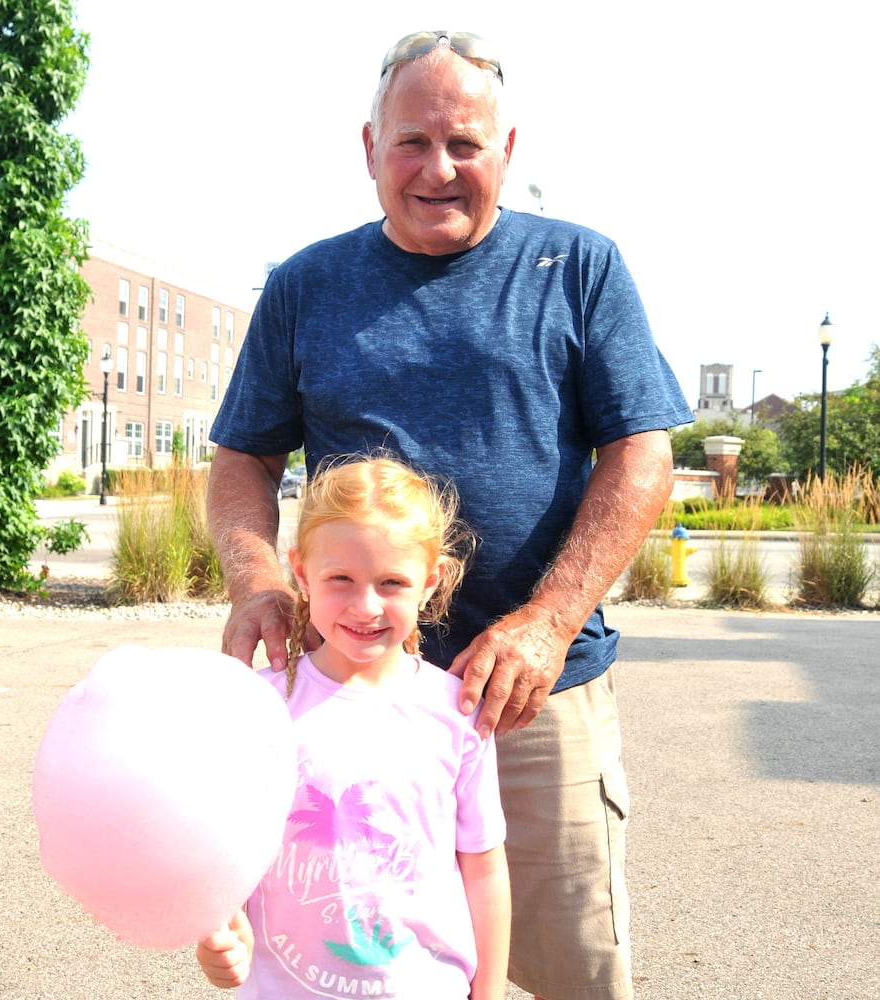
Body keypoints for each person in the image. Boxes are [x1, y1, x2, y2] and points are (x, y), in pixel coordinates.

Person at [207, 29, 693, 1000]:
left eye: (464, 144)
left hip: (531, 700)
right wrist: (257, 574)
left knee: (571, 975)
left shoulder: (580, 268)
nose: (438, 168)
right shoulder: (304, 286)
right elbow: (241, 458)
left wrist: (548, 622)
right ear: (368, 148)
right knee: (342, 966)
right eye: (411, 143)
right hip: (344, 705)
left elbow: (640, 452)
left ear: (507, 151)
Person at [196, 456, 511, 999]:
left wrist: (489, 992)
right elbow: (222, 849)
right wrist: (215, 932)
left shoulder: (457, 712)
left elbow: (483, 869)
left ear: (430, 582)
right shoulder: (262, 707)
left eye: (392, 582)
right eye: (340, 578)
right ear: (300, 573)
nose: (366, 606)